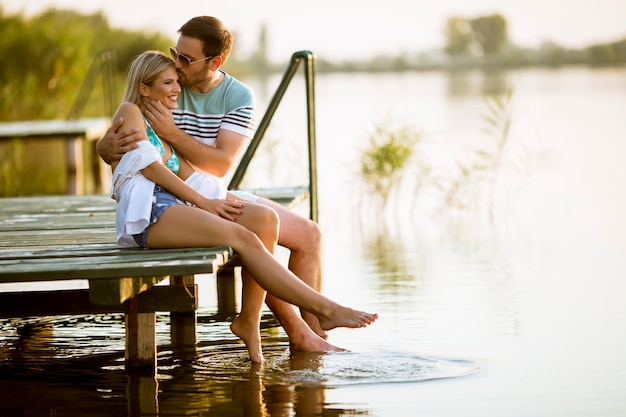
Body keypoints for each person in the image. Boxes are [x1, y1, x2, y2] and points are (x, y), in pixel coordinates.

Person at [111, 50, 377, 363]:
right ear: (144, 88)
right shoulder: (130, 111)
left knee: (263, 220)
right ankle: (325, 308)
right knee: (244, 238)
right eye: (168, 83)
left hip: (177, 207)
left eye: (176, 83)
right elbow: (150, 168)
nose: (176, 89)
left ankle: (248, 320)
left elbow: (193, 177)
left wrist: (224, 199)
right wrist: (204, 203)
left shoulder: (163, 129)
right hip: (150, 214)